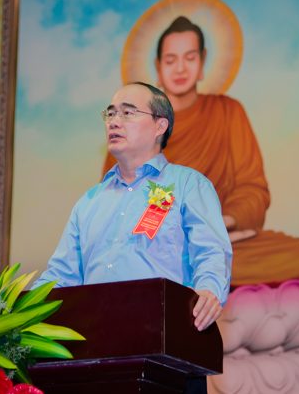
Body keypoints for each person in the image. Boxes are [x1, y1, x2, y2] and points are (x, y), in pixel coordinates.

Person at [103, 16, 299, 287]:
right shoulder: (133, 127)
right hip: (155, 242)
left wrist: (219, 224)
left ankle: (185, 271)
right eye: (170, 60)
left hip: (221, 235)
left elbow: (252, 189)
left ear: (203, 61)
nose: (180, 68)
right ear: (158, 67)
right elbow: (116, 202)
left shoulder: (228, 112)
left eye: (190, 58)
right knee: (140, 261)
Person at [33, 82, 232, 333]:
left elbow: (211, 253)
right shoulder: (90, 201)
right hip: (94, 339)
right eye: (110, 114)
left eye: (127, 113)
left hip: (165, 335)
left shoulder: (188, 185)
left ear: (160, 125)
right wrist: (20, 311)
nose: (114, 122)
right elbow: (61, 275)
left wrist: (209, 291)